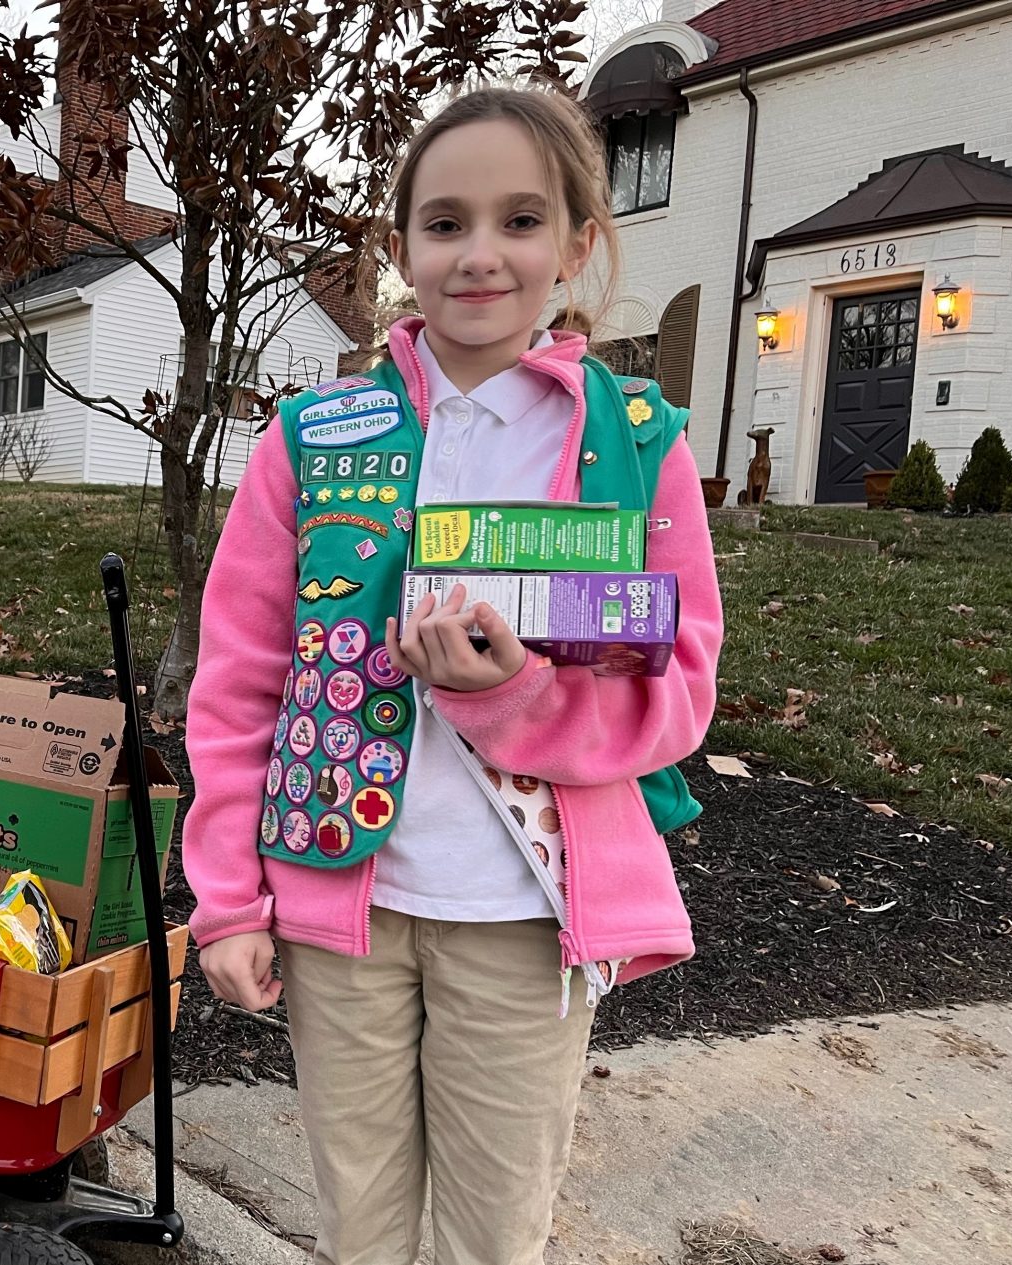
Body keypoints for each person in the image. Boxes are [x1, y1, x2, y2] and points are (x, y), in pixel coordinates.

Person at [183, 85, 724, 1265]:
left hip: (523, 917)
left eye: (521, 220)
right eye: (444, 223)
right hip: (343, 909)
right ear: (400, 250)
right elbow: (238, 681)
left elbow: (678, 687)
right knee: (361, 1228)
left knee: (492, 1235)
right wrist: (227, 896)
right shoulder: (313, 439)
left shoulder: (638, 442)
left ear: (579, 243)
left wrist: (509, 696)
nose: (481, 254)